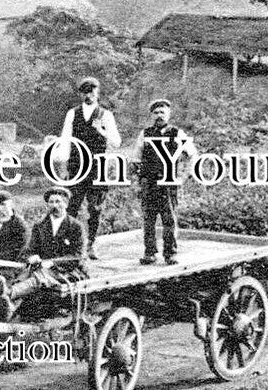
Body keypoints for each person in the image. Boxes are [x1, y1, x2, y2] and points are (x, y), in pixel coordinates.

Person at [0, 187, 88, 321]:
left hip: (66, 270)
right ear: (47, 205)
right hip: (41, 268)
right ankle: (9, 304)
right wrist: (31, 257)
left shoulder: (76, 227)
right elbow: (28, 250)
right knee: (24, 275)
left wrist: (52, 262)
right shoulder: (40, 226)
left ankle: (9, 294)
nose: (54, 205)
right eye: (51, 202)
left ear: (66, 204)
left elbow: (77, 256)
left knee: (40, 277)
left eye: (58, 202)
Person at [59, 77, 121, 259]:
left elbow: (117, 142)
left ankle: (91, 244)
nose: (89, 95)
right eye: (86, 92)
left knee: (95, 208)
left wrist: (101, 130)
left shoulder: (105, 115)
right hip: (76, 166)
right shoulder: (72, 113)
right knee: (71, 206)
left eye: (92, 92)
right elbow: (65, 140)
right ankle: (71, 245)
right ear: (81, 94)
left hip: (97, 167)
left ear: (98, 93)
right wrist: (63, 166)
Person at [130, 99, 197, 264]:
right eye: (156, 113)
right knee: (149, 219)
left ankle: (170, 253)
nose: (159, 115)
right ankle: (149, 253)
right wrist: (137, 180)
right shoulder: (145, 134)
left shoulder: (177, 133)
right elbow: (136, 159)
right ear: (151, 115)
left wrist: (183, 176)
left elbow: (192, 155)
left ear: (168, 114)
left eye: (162, 112)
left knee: (169, 219)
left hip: (168, 184)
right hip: (149, 183)